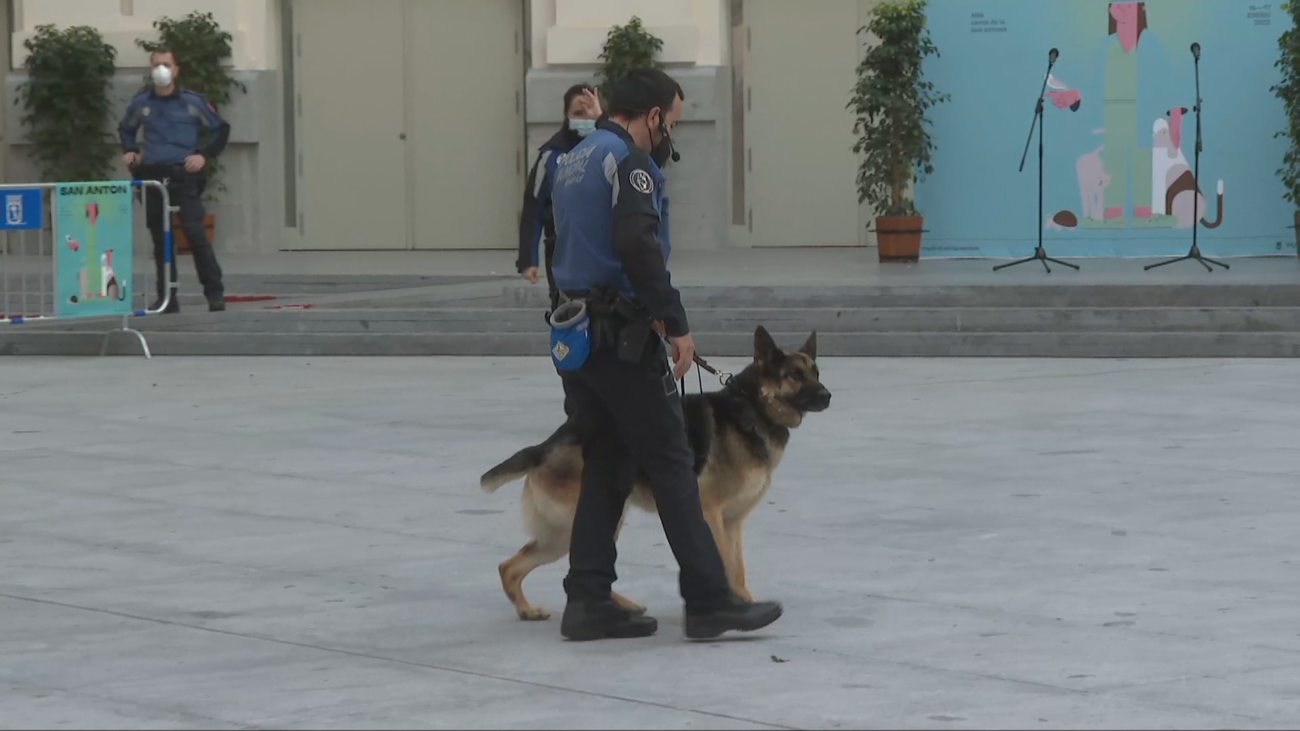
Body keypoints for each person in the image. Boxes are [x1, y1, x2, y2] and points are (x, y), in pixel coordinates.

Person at [548, 67, 784, 641]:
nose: (669, 133)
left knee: (609, 462)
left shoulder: (570, 160)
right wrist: (673, 322)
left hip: (576, 335)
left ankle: (588, 600)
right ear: (653, 115)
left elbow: (556, 243)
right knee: (674, 462)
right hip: (621, 337)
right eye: (670, 122)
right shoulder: (629, 163)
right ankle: (709, 600)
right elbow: (637, 243)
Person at [118, 47, 230, 313]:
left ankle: (214, 293)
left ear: (176, 69)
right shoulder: (142, 103)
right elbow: (126, 128)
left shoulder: (193, 102)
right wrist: (130, 149)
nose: (161, 69)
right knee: (161, 240)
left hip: (185, 176)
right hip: (154, 177)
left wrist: (203, 155)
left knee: (195, 234)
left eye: (166, 64)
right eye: (156, 64)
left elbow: (220, 129)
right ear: (150, 69)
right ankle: (167, 297)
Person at [518, 84, 604, 310]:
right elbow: (533, 206)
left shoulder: (610, 149)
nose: (585, 118)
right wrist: (528, 259)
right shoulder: (550, 155)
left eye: (590, 112)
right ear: (566, 116)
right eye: (577, 113)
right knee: (567, 314)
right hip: (561, 250)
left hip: (602, 250)